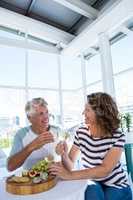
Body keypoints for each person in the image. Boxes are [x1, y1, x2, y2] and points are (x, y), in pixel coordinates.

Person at [49, 92, 132, 200]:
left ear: (100, 113)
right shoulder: (81, 132)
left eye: (87, 110)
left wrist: (69, 175)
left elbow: (104, 170)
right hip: (92, 180)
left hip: (116, 184)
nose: (83, 113)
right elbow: (70, 165)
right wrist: (64, 155)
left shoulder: (117, 135)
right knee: (92, 191)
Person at [7, 97, 60, 171]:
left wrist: (62, 152)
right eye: (41, 114)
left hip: (54, 179)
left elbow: (65, 158)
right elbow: (10, 167)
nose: (46, 117)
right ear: (30, 118)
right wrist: (31, 146)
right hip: (30, 180)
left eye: (47, 112)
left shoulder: (57, 130)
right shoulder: (21, 134)